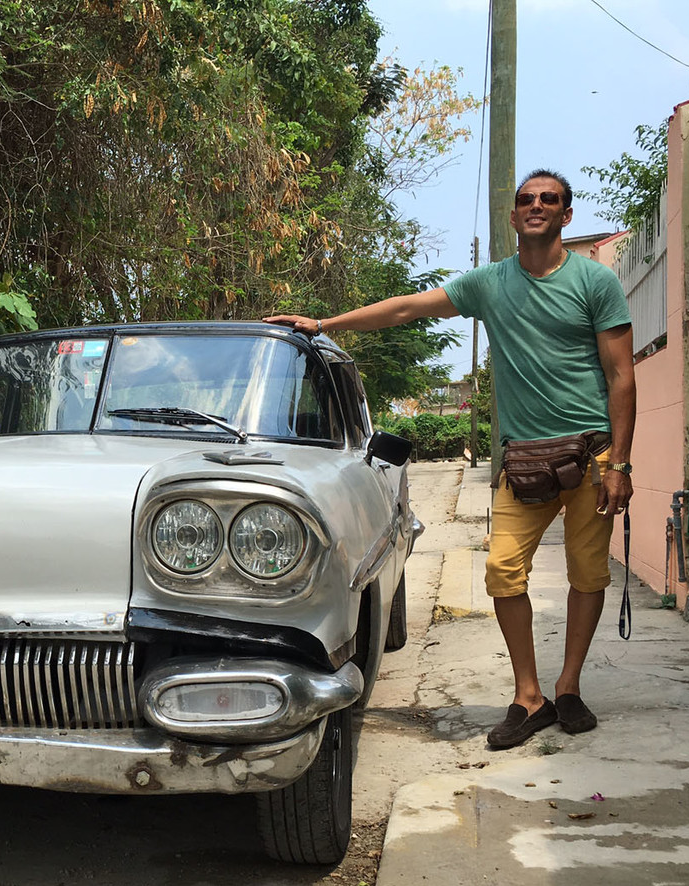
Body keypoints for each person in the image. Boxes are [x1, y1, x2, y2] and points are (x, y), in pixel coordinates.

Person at [265, 169, 636, 749]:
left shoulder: (595, 282)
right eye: (525, 200)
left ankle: (568, 687)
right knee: (502, 572)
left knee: (589, 574)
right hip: (524, 461)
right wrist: (325, 324)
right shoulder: (490, 284)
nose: (536, 206)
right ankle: (528, 696)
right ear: (513, 218)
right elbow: (407, 309)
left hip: (592, 455)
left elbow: (621, 375)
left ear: (566, 215)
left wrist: (621, 464)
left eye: (549, 200)